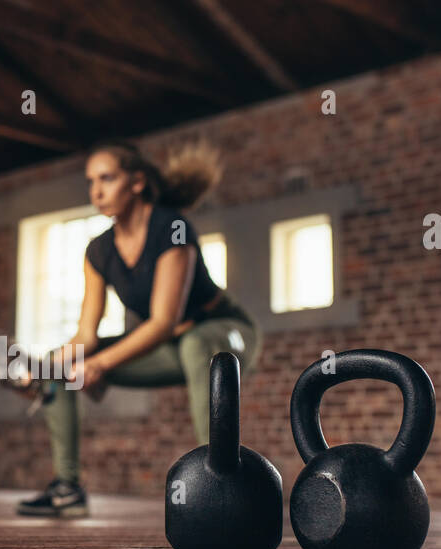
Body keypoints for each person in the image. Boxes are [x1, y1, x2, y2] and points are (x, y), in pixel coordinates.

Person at [17, 138, 262, 517]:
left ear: (136, 182)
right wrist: (43, 370)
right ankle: (68, 488)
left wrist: (99, 366)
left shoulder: (172, 227)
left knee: (195, 344)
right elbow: (86, 336)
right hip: (169, 348)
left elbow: (164, 321)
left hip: (223, 332)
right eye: (90, 182)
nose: (96, 191)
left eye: (107, 178)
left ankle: (219, 483)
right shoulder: (98, 251)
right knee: (56, 366)